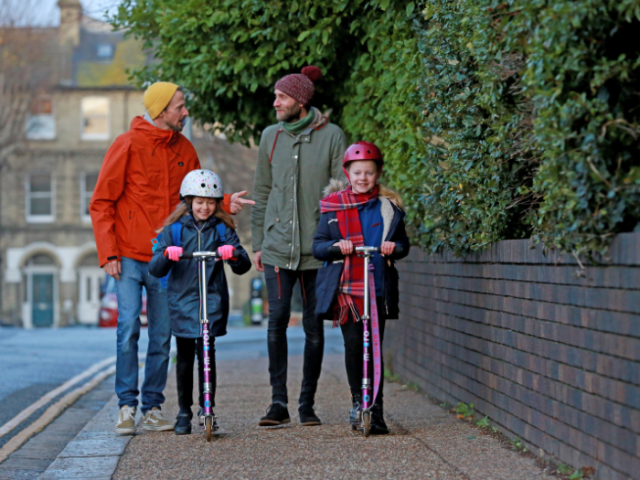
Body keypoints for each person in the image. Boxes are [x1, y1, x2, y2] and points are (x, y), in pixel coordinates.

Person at [90, 82, 254, 435]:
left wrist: (224, 204)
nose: (186, 112)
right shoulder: (127, 144)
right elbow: (101, 202)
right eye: (180, 106)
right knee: (129, 328)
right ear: (162, 109)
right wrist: (108, 253)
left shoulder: (184, 148)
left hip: (171, 259)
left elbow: (194, 197)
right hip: (131, 257)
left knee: (162, 335)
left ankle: (152, 407)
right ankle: (126, 406)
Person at [251, 66, 347, 426]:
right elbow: (262, 191)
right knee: (275, 320)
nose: (275, 103)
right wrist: (258, 242)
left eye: (282, 97)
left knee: (313, 324)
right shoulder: (269, 136)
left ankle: (307, 404)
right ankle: (278, 404)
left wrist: (336, 241)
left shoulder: (333, 136)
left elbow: (342, 193)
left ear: (301, 102)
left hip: (316, 250)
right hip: (276, 247)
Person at [312, 141, 410, 434]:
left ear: (378, 174)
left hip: (377, 287)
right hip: (349, 291)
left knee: (375, 348)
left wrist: (394, 248)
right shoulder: (332, 207)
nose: (363, 178)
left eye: (369, 172)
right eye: (357, 172)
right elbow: (317, 247)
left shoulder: (389, 208)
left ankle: (375, 410)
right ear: (347, 172)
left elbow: (404, 245)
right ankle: (359, 402)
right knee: (355, 346)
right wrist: (335, 246)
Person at [149, 169, 251, 435]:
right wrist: (167, 255)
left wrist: (233, 255)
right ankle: (184, 410)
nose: (204, 207)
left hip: (212, 297)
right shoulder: (173, 229)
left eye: (210, 202)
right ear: (188, 202)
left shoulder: (221, 228)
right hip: (182, 299)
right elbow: (155, 268)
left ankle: (208, 407)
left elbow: (242, 264)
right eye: (199, 202)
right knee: (184, 355)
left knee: (207, 351)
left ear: (217, 204)